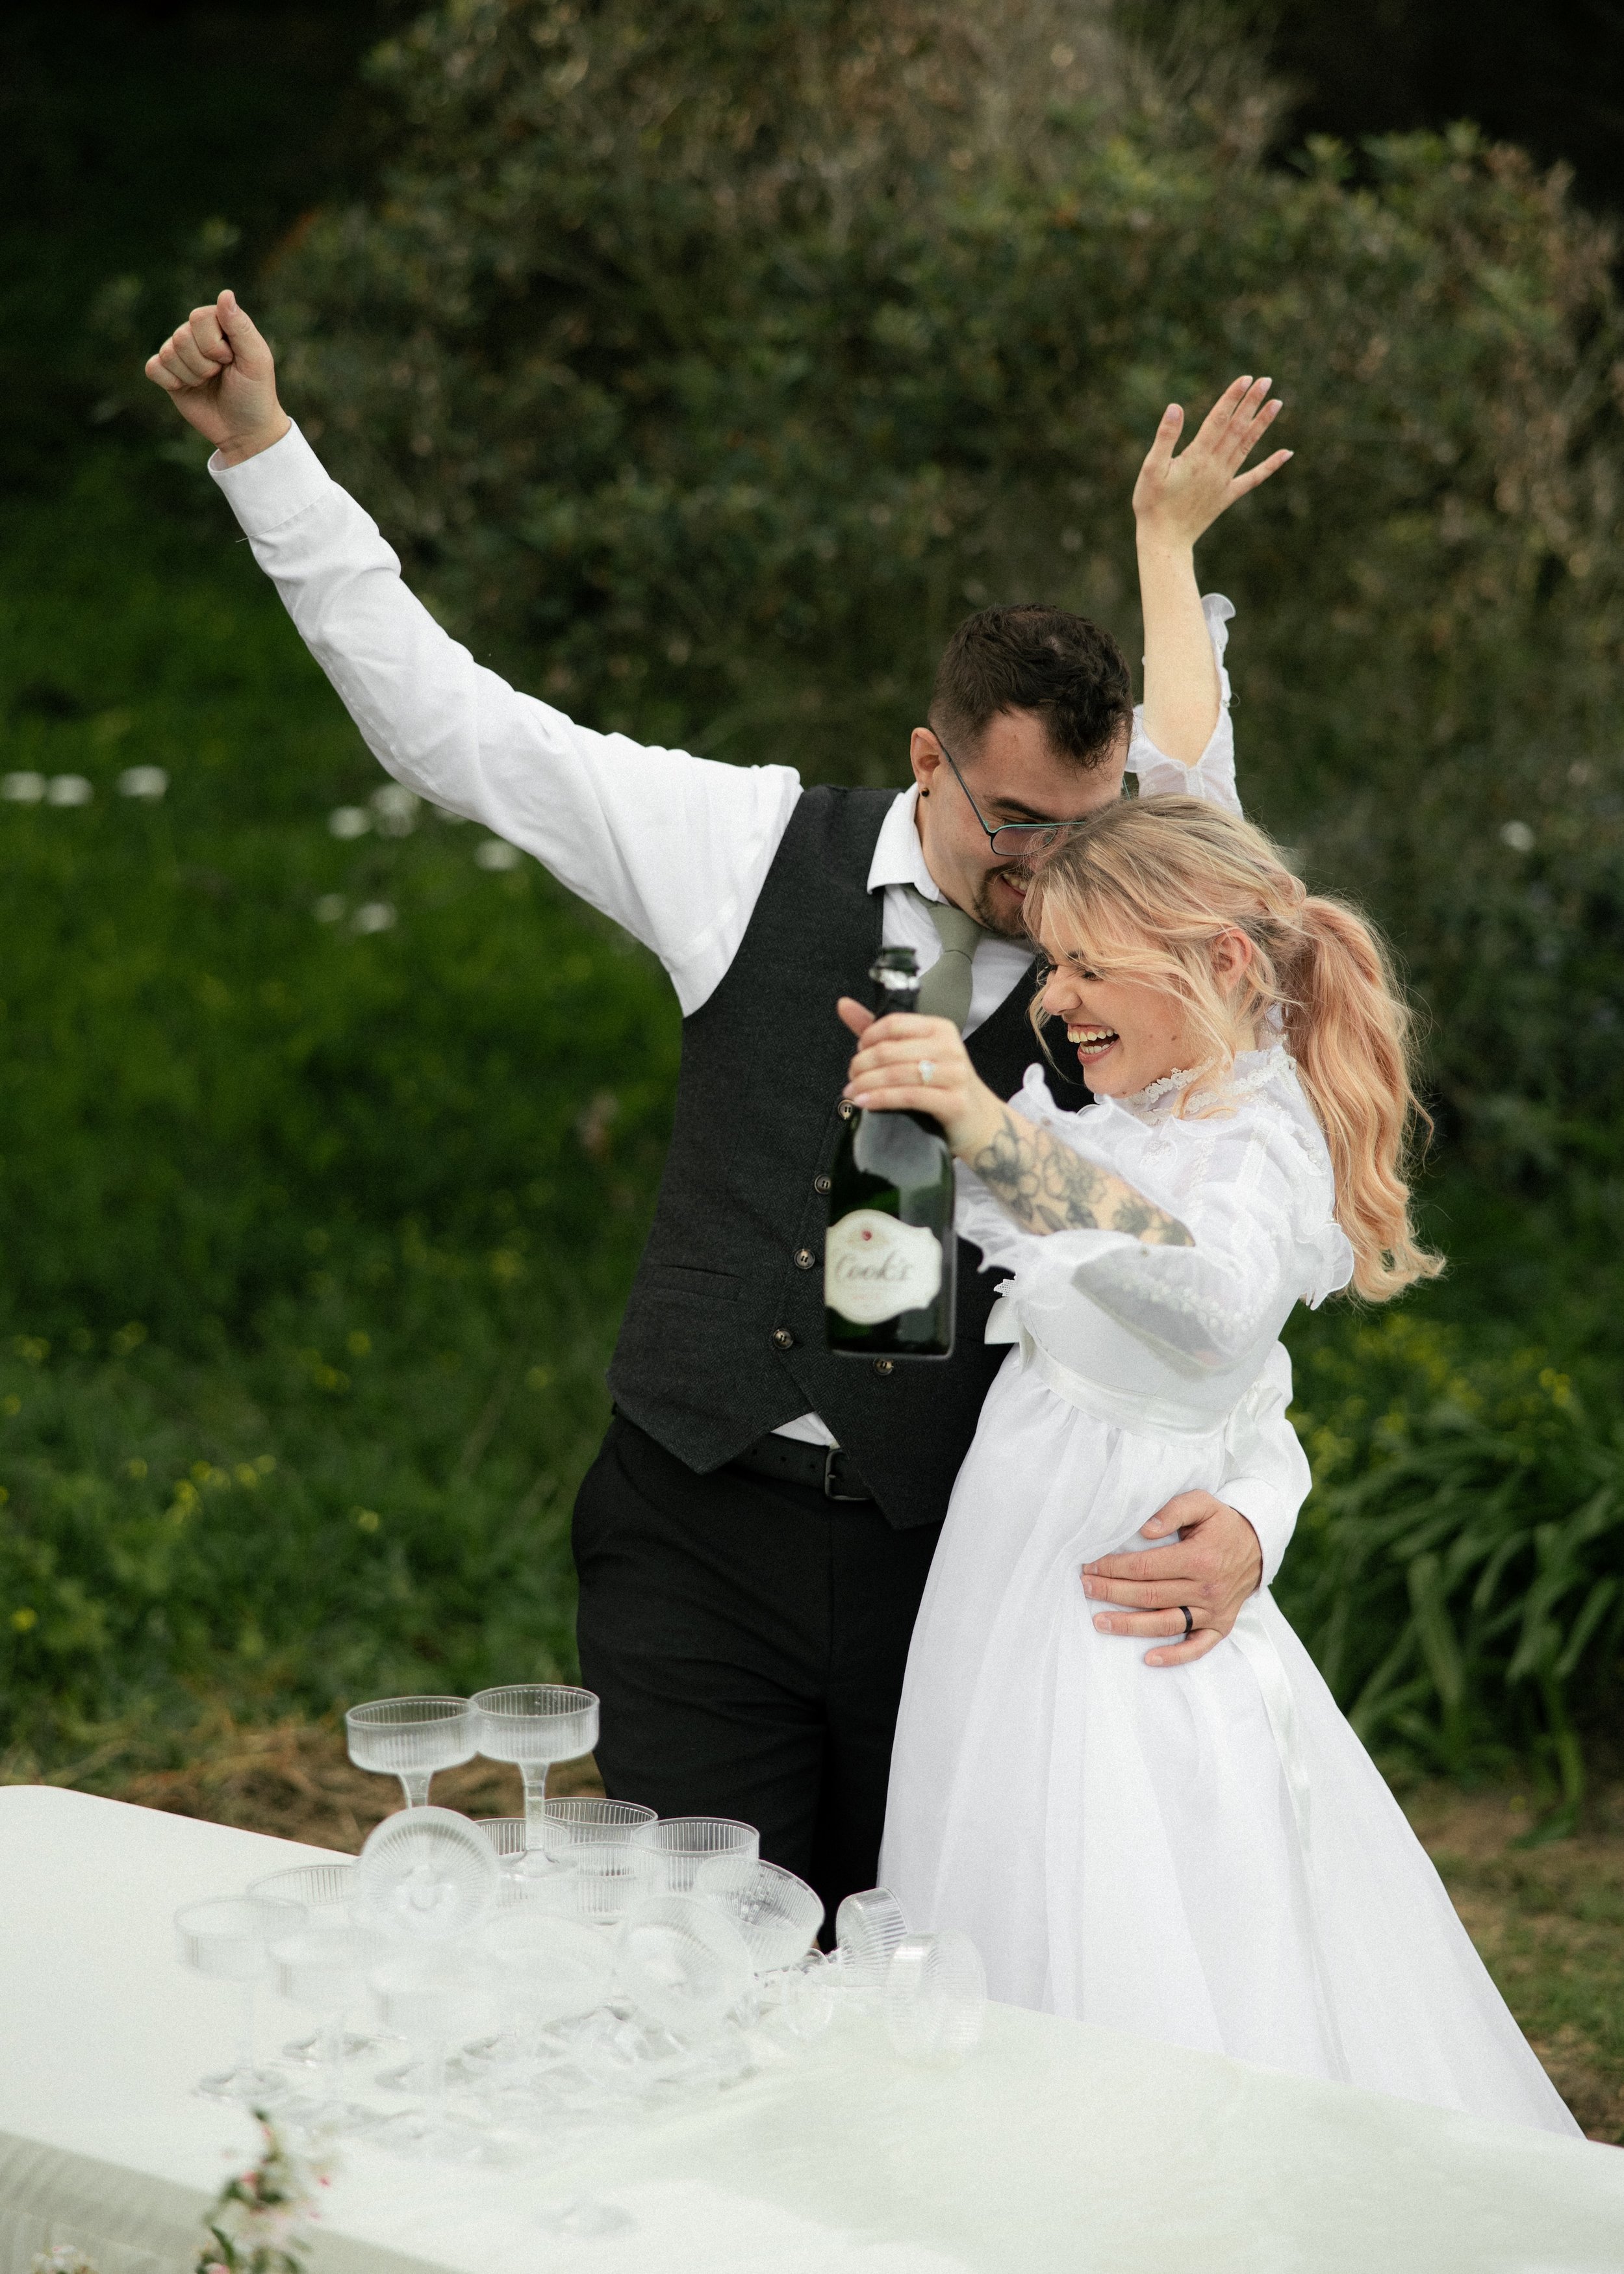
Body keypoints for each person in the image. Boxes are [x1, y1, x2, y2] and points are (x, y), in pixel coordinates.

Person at [145, 291, 1302, 1923]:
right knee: (710, 1977)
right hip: (699, 1531)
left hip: (962, 1569)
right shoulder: (746, 847)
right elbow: (456, 724)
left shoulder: (1135, 977)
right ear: (928, 760)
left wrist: (1256, 1513)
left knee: (935, 1985)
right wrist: (266, 453)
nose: (1052, 868)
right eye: (1019, 823)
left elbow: (1224, 1294)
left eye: (1089, 823)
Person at [841, 800, 1580, 2134]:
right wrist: (923, 1110)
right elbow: (1239, 1383)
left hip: (1114, 1620)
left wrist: (993, 1135)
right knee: (993, 1892)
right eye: (1049, 967)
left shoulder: (1257, 1129)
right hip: (1006, 1592)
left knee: (1115, 1929)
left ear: (1221, 965)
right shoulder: (1143, 1113)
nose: (1053, 1002)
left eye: (1081, 967)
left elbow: (1215, 1306)